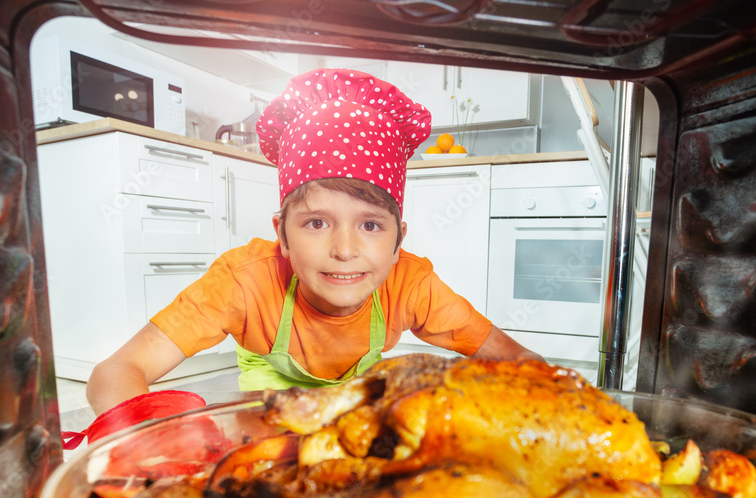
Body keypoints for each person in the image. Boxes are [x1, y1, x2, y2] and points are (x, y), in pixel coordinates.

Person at [86, 68, 542, 416]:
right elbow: (115, 372)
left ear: (399, 240)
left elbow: (521, 361)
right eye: (317, 223)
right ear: (281, 234)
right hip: (266, 420)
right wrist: (146, 445)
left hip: (356, 420)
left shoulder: (412, 284)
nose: (344, 249)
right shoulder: (243, 280)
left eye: (370, 226)